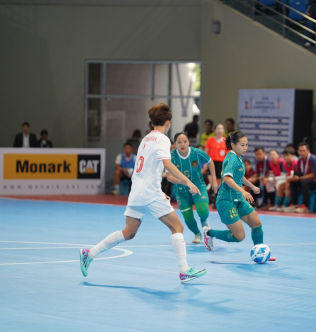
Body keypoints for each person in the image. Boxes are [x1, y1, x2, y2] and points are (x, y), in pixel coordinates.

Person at [79, 103, 207, 283]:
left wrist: (160, 193)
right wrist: (187, 181)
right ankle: (184, 270)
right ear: (168, 123)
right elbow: (168, 166)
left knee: (129, 232)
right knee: (177, 228)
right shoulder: (163, 140)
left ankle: (89, 253)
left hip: (137, 191)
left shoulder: (145, 139)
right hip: (149, 192)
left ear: (152, 122)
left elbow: (148, 170)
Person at [202, 131, 267, 256]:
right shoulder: (231, 158)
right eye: (242, 145)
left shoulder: (239, 158)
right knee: (239, 236)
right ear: (233, 145)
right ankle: (208, 233)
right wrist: (243, 191)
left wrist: (252, 186)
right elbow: (227, 178)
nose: (245, 148)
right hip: (226, 201)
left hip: (237, 198)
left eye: (246, 145)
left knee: (256, 224)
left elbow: (239, 176)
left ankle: (259, 252)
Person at [166, 132, 219, 244]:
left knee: (203, 211)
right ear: (175, 144)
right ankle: (197, 234)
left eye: (185, 141)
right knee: (188, 219)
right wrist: (183, 182)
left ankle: (204, 222)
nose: (182, 144)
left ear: (189, 142)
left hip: (198, 186)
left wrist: (214, 179)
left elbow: (210, 161)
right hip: (181, 191)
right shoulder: (171, 156)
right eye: (179, 142)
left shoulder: (196, 153)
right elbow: (169, 176)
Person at [285, 143, 316, 213]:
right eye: (300, 151)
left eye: (304, 151)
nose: (302, 153)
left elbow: (314, 174)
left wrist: (300, 178)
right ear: (298, 152)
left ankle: (305, 206)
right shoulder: (300, 160)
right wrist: (293, 177)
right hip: (304, 180)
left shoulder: (313, 159)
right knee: (293, 182)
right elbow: (299, 173)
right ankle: (294, 204)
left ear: (308, 150)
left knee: (304, 182)